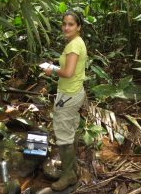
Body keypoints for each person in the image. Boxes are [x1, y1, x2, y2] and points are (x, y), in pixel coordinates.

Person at [44, 11, 87, 191]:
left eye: (71, 24)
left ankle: (69, 175)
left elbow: (67, 72)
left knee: (63, 134)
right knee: (69, 129)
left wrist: (51, 69)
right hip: (72, 92)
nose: (66, 27)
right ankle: (71, 166)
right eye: (64, 23)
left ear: (78, 27)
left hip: (69, 95)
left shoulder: (74, 45)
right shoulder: (75, 42)